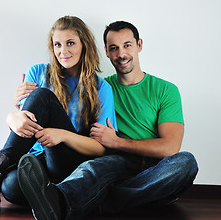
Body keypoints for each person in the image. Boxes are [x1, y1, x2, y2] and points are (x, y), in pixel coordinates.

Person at [15, 21, 199, 220]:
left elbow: (170, 147)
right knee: (92, 168)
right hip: (115, 162)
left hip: (154, 166)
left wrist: (118, 141)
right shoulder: (99, 87)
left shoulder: (165, 90)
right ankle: (75, 201)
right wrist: (19, 106)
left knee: (186, 162)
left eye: (127, 45)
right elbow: (63, 114)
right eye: (114, 48)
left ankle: (91, 203)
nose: (121, 54)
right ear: (106, 52)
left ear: (139, 45)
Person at [0, 16, 117, 214]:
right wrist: (12, 117)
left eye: (71, 43)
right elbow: (22, 125)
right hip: (36, 158)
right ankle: (47, 192)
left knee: (43, 95)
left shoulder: (101, 88)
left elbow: (100, 148)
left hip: (68, 161)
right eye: (57, 44)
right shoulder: (38, 73)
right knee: (10, 187)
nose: (63, 51)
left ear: (85, 45)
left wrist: (63, 135)